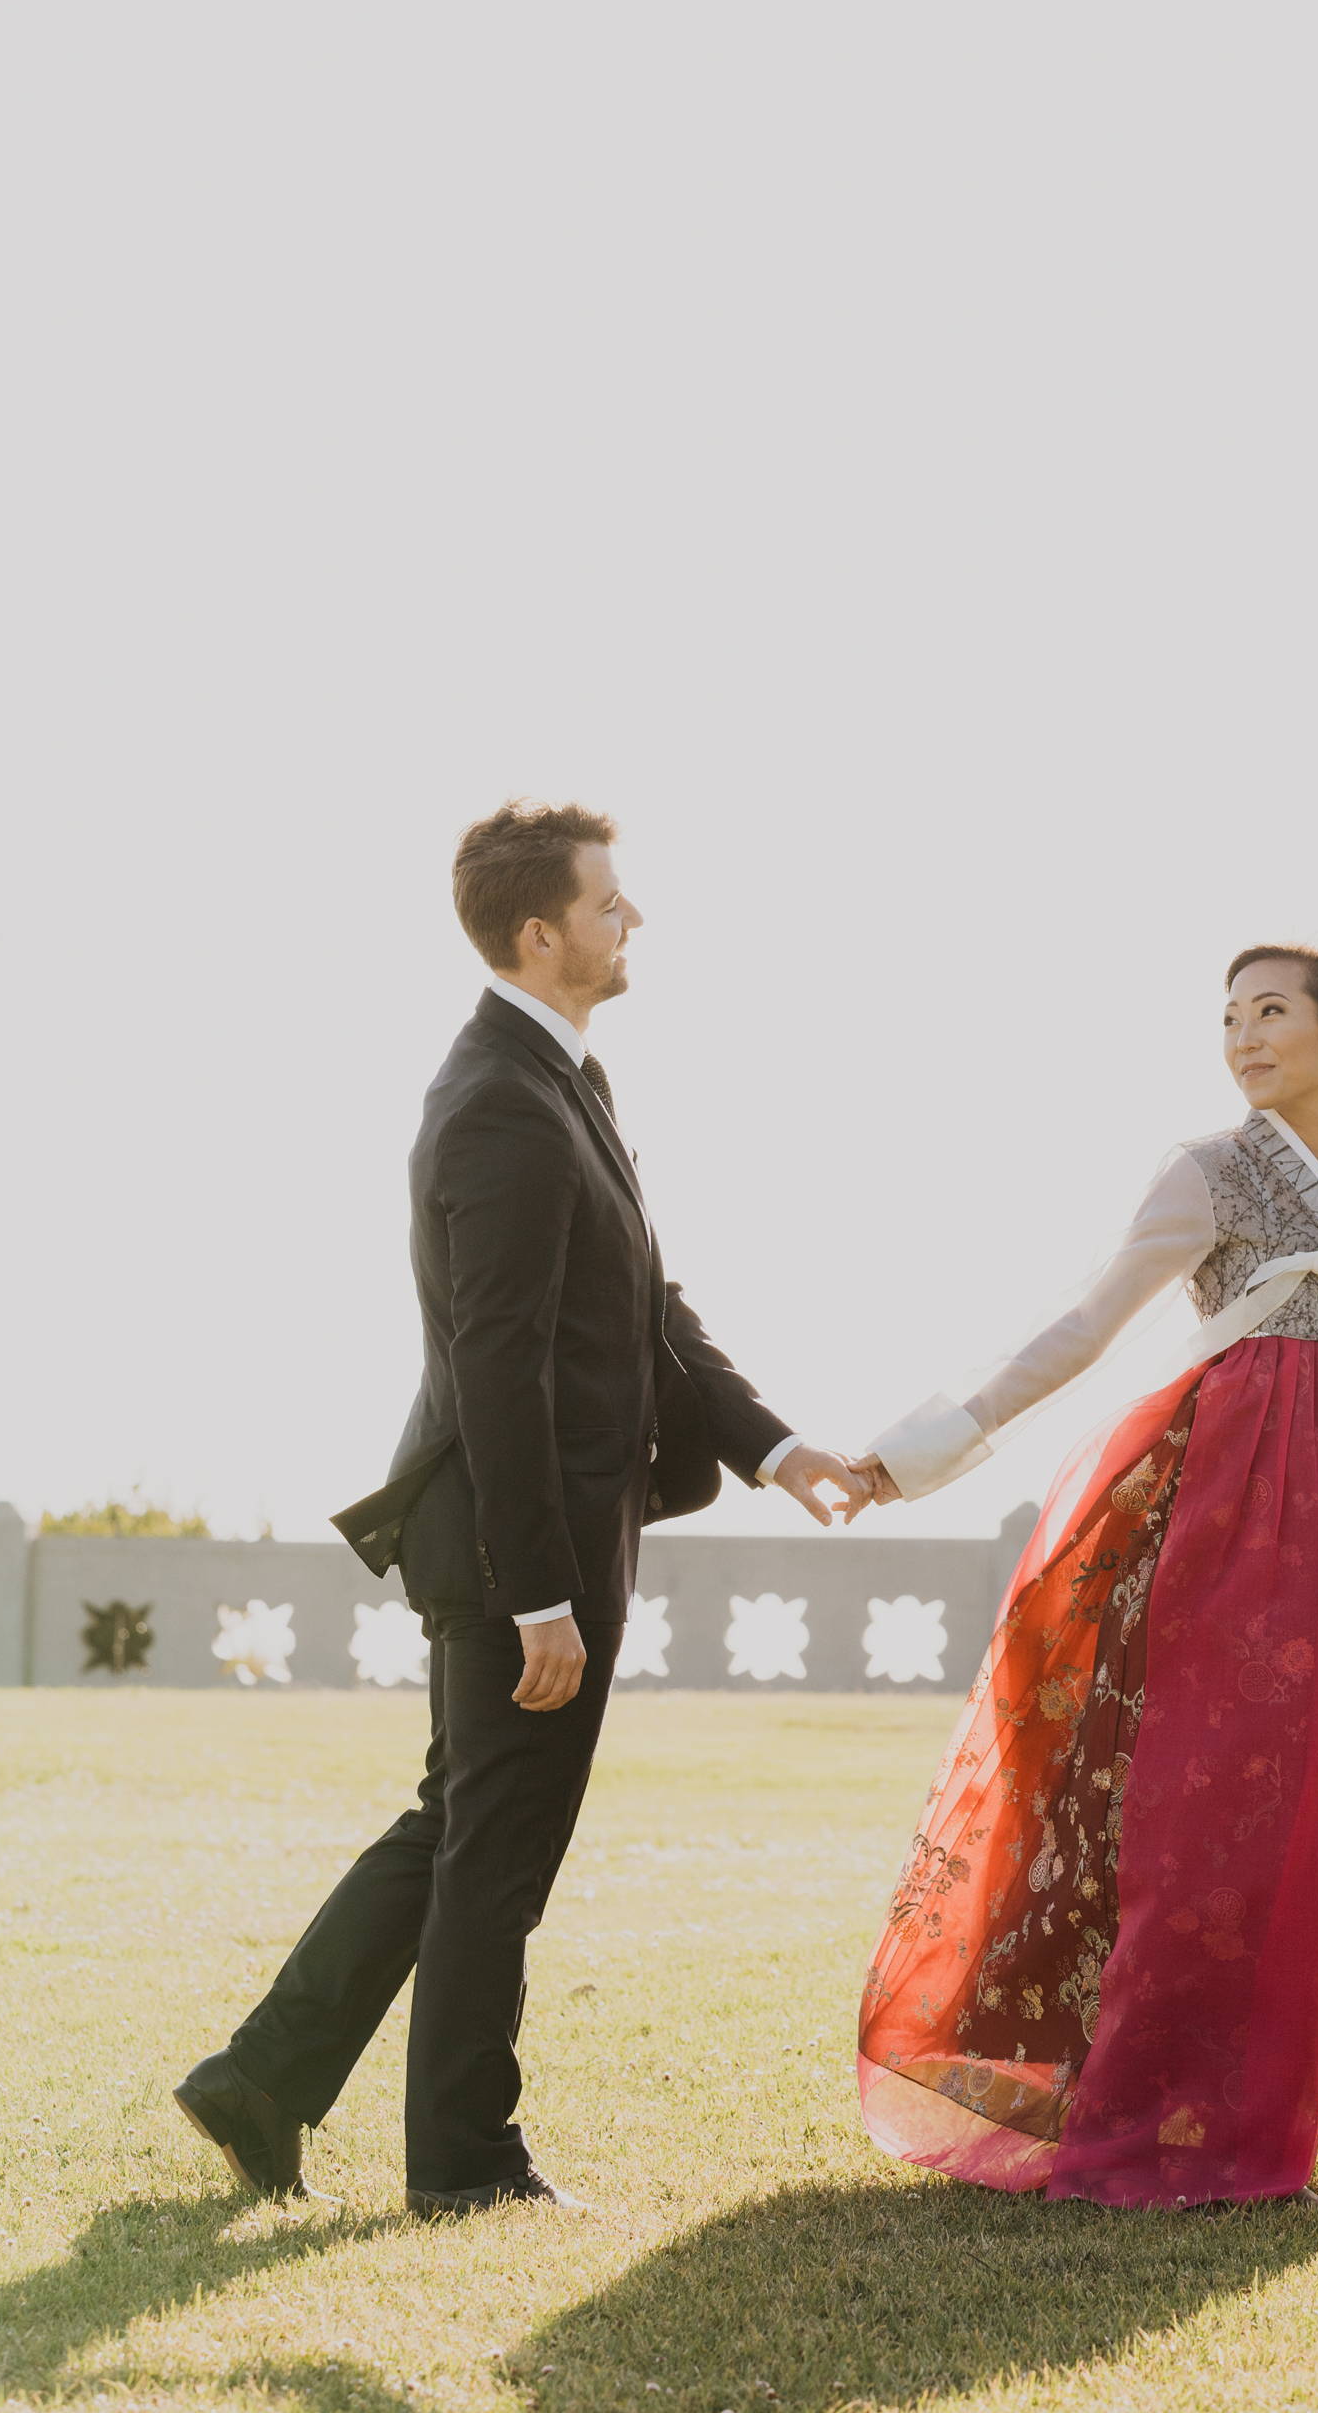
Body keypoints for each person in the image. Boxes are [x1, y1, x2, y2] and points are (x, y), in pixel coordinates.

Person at [176, 802, 867, 2217]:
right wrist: (538, 1589)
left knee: (460, 1824)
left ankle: (258, 2079)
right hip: (516, 1545)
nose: (634, 925)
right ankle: (468, 2165)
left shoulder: (558, 1080)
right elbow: (496, 1358)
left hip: (531, 1533)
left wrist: (777, 1447)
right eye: (612, 906)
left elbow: (644, 1312)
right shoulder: (500, 1097)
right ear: (541, 932)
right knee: (499, 1852)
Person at [848, 946, 1318, 2210]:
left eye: (1271, 1012)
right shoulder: (1204, 1170)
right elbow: (1085, 1326)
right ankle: (1171, 2108)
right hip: (1239, 1505)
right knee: (1220, 1804)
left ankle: (1279, 2097)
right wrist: (913, 1454)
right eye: (1227, 1016)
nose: (1242, 1036)